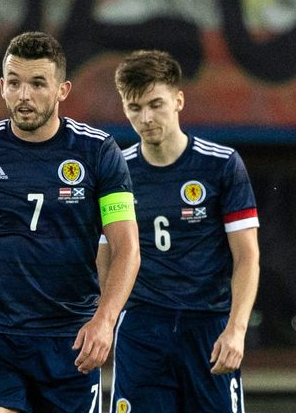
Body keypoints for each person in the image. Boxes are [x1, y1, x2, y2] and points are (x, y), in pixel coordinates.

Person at [0, 31, 140, 412]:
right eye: (15, 83)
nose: (24, 95)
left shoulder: (98, 152)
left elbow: (127, 249)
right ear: (2, 87)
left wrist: (105, 320)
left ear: (62, 90)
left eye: (37, 84)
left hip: (68, 343)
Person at [99, 50, 260, 413]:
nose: (146, 117)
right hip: (142, 327)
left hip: (208, 326)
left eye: (156, 104)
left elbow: (247, 256)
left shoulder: (221, 165)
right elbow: (105, 252)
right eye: (134, 107)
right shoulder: (115, 172)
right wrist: (108, 319)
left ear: (179, 100)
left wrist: (237, 329)